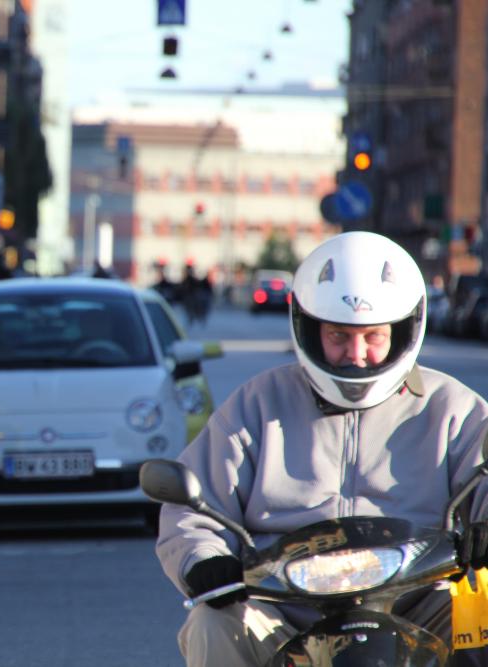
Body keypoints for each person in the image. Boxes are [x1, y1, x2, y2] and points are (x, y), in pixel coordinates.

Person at [156, 231, 488, 666]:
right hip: (285, 612)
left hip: (420, 604)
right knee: (211, 621)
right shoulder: (257, 404)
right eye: (338, 335)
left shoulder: (454, 408)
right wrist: (204, 560)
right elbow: (194, 509)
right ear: (309, 327)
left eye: (373, 336)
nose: (356, 354)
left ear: (405, 328)